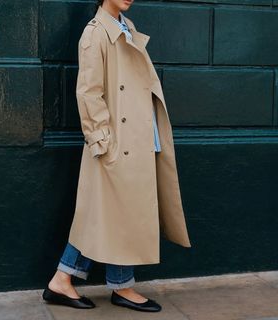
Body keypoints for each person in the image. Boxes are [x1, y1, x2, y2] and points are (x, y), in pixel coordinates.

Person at [42, 0, 191, 312]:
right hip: (116, 143)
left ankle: (71, 280)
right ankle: (108, 285)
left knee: (110, 215)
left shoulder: (126, 27)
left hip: (134, 139)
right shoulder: (96, 34)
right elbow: (88, 91)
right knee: (109, 214)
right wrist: (101, 140)